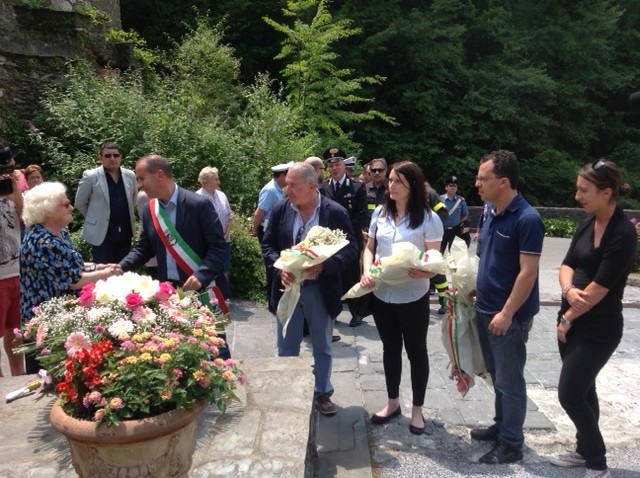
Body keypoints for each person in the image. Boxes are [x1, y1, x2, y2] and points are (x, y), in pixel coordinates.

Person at [549, 159, 636, 478]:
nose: (577, 196)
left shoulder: (623, 233)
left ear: (606, 191)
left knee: (569, 393)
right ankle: (584, 450)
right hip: (570, 319)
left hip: (598, 328)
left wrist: (569, 316)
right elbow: (567, 263)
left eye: (584, 190)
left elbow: (600, 288)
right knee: (585, 390)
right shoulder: (587, 221)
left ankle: (598, 464)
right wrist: (569, 290)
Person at [262, 163, 358, 416]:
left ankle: (322, 392)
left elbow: (350, 249)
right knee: (286, 345)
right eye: (286, 184)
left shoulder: (334, 212)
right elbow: (268, 244)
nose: (286, 189)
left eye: (293, 185)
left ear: (311, 186)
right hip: (287, 288)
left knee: (322, 345)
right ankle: (287, 390)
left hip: (320, 289)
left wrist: (326, 266)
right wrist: (279, 267)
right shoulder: (282, 208)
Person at [470, 150, 544, 464]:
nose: (477, 184)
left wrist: (507, 312)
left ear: (503, 181)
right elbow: (487, 258)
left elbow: (529, 272)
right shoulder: (489, 212)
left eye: (483, 178)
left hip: (507, 317)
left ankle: (512, 444)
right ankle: (502, 426)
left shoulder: (527, 219)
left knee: (510, 380)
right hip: (485, 309)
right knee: (497, 376)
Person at [360, 161, 443, 435]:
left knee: (416, 351)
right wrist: (367, 269)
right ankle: (392, 401)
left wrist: (426, 269)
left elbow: (434, 256)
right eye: (391, 180)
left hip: (413, 295)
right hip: (384, 293)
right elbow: (370, 249)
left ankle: (417, 410)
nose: (391, 185)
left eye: (398, 182)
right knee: (390, 349)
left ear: (413, 187)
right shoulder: (380, 216)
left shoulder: (429, 219)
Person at [20, 182, 117, 373]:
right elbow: (73, 281)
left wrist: (98, 266)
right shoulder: (42, 242)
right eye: (65, 205)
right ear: (47, 210)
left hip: (61, 314)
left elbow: (70, 265)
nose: (71, 207)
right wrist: (106, 273)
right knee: (50, 377)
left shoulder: (59, 232)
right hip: (45, 322)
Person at [119, 155, 226, 293]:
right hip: (167, 290)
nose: (139, 185)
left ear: (159, 175)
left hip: (201, 288)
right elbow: (144, 248)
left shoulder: (199, 205)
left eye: (141, 178)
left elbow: (218, 247)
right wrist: (120, 267)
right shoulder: (149, 209)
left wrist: (201, 275)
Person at [322, 147, 368, 327]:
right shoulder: (323, 188)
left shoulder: (357, 187)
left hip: (350, 240)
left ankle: (357, 312)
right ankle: (333, 313)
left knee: (352, 275)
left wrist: (346, 232)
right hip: (329, 241)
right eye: (331, 165)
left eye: (337, 164)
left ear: (344, 165)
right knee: (332, 276)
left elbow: (362, 214)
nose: (334, 168)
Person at [75, 141, 137, 263]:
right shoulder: (91, 176)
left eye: (116, 155)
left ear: (121, 157)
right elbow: (80, 202)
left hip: (125, 231)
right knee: (103, 272)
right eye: (108, 156)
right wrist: (95, 217)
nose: (112, 158)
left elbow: (134, 199)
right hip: (102, 234)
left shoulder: (130, 175)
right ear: (100, 158)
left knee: (123, 270)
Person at [0, 147, 25, 376]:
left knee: (15, 333)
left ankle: (17, 377)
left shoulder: (12, 193)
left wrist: (15, 188)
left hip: (15, 272)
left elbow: (24, 215)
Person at [251, 163, 290, 300]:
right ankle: (272, 296)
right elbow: (260, 212)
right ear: (282, 175)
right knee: (272, 263)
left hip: (277, 231)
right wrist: (254, 229)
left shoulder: (280, 189)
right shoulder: (270, 190)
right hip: (267, 230)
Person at [196, 166, 233, 298]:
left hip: (224, 240)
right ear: (205, 181)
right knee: (211, 269)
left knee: (224, 268)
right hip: (207, 242)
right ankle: (209, 296)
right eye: (215, 179)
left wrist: (225, 234)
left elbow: (229, 216)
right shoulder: (197, 198)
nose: (218, 182)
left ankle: (224, 296)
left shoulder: (222, 195)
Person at [425, 181, 450, 315]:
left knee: (436, 270)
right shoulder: (408, 193)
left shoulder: (430, 193)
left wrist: (431, 227)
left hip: (430, 239)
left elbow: (443, 213)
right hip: (416, 240)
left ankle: (445, 301)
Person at [440, 175, 470, 252]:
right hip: (442, 230)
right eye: (450, 185)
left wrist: (459, 222)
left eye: (455, 186)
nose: (453, 187)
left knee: (454, 254)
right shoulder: (439, 199)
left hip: (455, 230)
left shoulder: (461, 200)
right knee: (439, 253)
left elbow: (465, 214)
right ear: (446, 187)